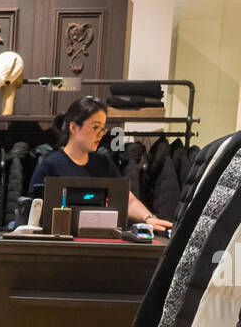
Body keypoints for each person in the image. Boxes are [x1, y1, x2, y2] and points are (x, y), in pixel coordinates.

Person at [27, 96, 173, 232]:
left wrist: (149, 219)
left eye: (103, 128)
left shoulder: (104, 164)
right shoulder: (50, 164)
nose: (101, 134)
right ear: (73, 127)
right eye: (95, 127)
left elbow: (127, 200)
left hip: (98, 245)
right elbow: (33, 210)